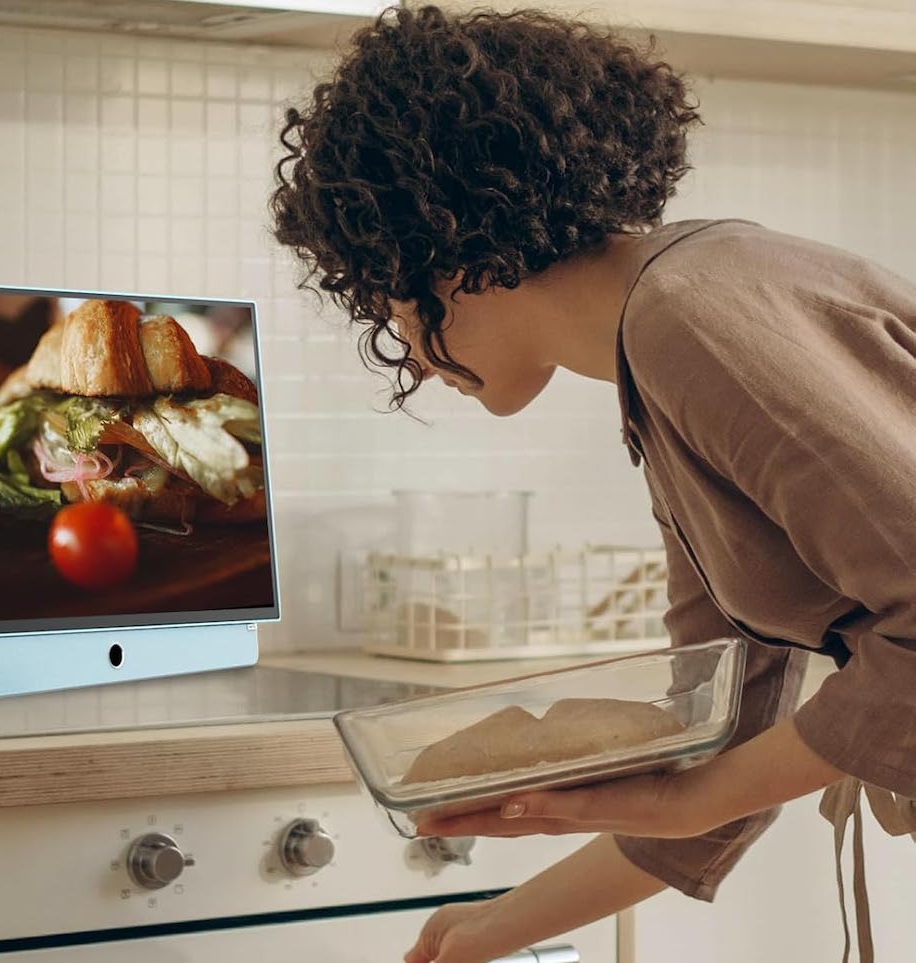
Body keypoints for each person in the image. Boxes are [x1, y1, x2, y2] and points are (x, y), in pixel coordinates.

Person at [269, 6, 916, 963]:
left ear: (446, 247)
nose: (403, 345)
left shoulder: (689, 320)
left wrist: (689, 792)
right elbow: (720, 734)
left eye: (387, 298)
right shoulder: (666, 343)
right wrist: (488, 928)